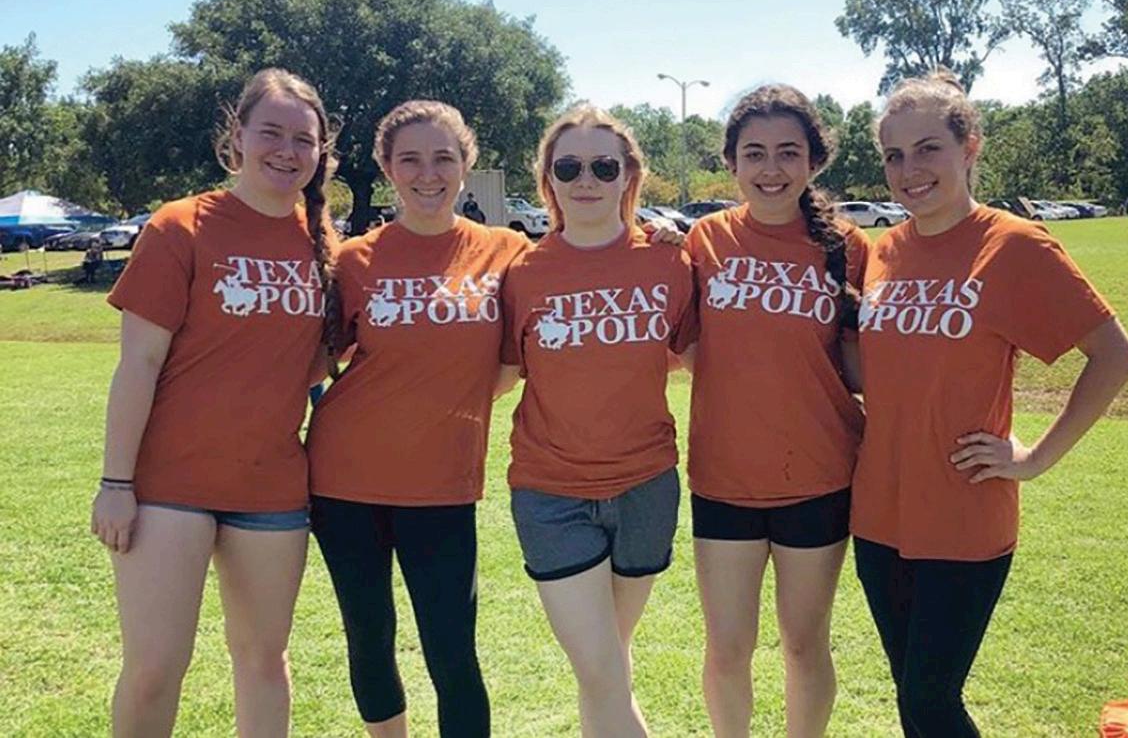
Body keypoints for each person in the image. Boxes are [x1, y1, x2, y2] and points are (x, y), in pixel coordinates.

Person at [852, 69, 1128, 737]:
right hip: (878, 514)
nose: (908, 170)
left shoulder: (1012, 244)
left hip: (964, 514)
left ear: (970, 146)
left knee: (932, 699)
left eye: (928, 148)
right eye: (894, 155)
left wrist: (1035, 458)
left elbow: (1115, 355)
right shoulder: (880, 251)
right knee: (911, 696)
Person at [90, 67, 337, 738]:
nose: (287, 151)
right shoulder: (181, 226)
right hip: (168, 486)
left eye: (303, 140)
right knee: (153, 668)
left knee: (264, 660)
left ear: (321, 151)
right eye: (271, 133)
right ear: (238, 135)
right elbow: (138, 364)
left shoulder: (323, 243)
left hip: (271, 488)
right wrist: (116, 483)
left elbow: (319, 361)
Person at [305, 100, 529, 738]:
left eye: (443, 158)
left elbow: (515, 359)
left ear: (466, 164)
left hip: (442, 484)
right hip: (344, 479)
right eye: (410, 160)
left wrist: (657, 238)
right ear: (386, 168)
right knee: (368, 634)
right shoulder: (356, 259)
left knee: (452, 650)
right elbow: (313, 361)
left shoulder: (507, 251)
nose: (427, 174)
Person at [500, 105, 695, 737]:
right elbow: (494, 374)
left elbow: (714, 359)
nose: (586, 180)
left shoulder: (669, 263)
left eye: (604, 167)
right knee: (603, 669)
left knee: (606, 664)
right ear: (547, 180)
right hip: (550, 492)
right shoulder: (521, 274)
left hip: (646, 488)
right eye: (569, 168)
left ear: (629, 176)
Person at [681, 85, 869, 738]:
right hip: (723, 477)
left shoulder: (846, 246)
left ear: (814, 160)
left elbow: (860, 363)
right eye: (754, 153)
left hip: (818, 475)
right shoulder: (703, 240)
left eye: (788, 152)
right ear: (731, 162)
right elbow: (684, 344)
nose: (770, 168)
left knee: (803, 644)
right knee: (727, 647)